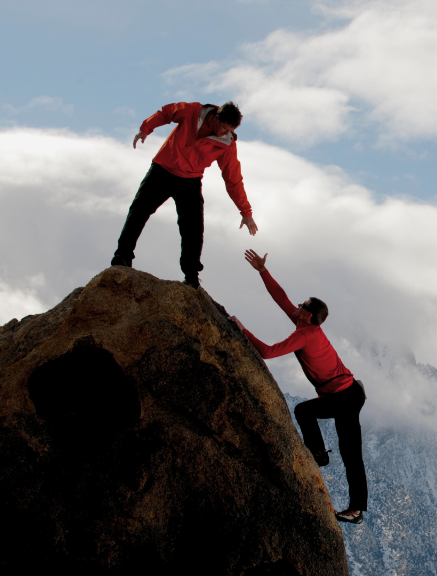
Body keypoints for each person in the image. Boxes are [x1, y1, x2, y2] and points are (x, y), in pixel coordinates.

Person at [230, 249, 368, 525]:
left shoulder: (304, 334)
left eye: (303, 306)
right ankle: (322, 461)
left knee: (341, 444)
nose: (297, 306)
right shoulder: (305, 323)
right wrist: (262, 271)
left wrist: (242, 330)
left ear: (309, 316)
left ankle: (352, 505)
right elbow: (280, 297)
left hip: (345, 397)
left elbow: (268, 352)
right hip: (346, 392)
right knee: (315, 421)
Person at [111, 101, 258, 288]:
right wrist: (146, 129)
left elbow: (233, 179)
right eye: (223, 127)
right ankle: (122, 256)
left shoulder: (226, 144)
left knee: (193, 229)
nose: (224, 133)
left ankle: (191, 275)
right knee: (139, 211)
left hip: (190, 181)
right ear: (216, 117)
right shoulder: (192, 112)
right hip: (162, 171)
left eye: (229, 130)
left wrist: (245, 211)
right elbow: (166, 113)